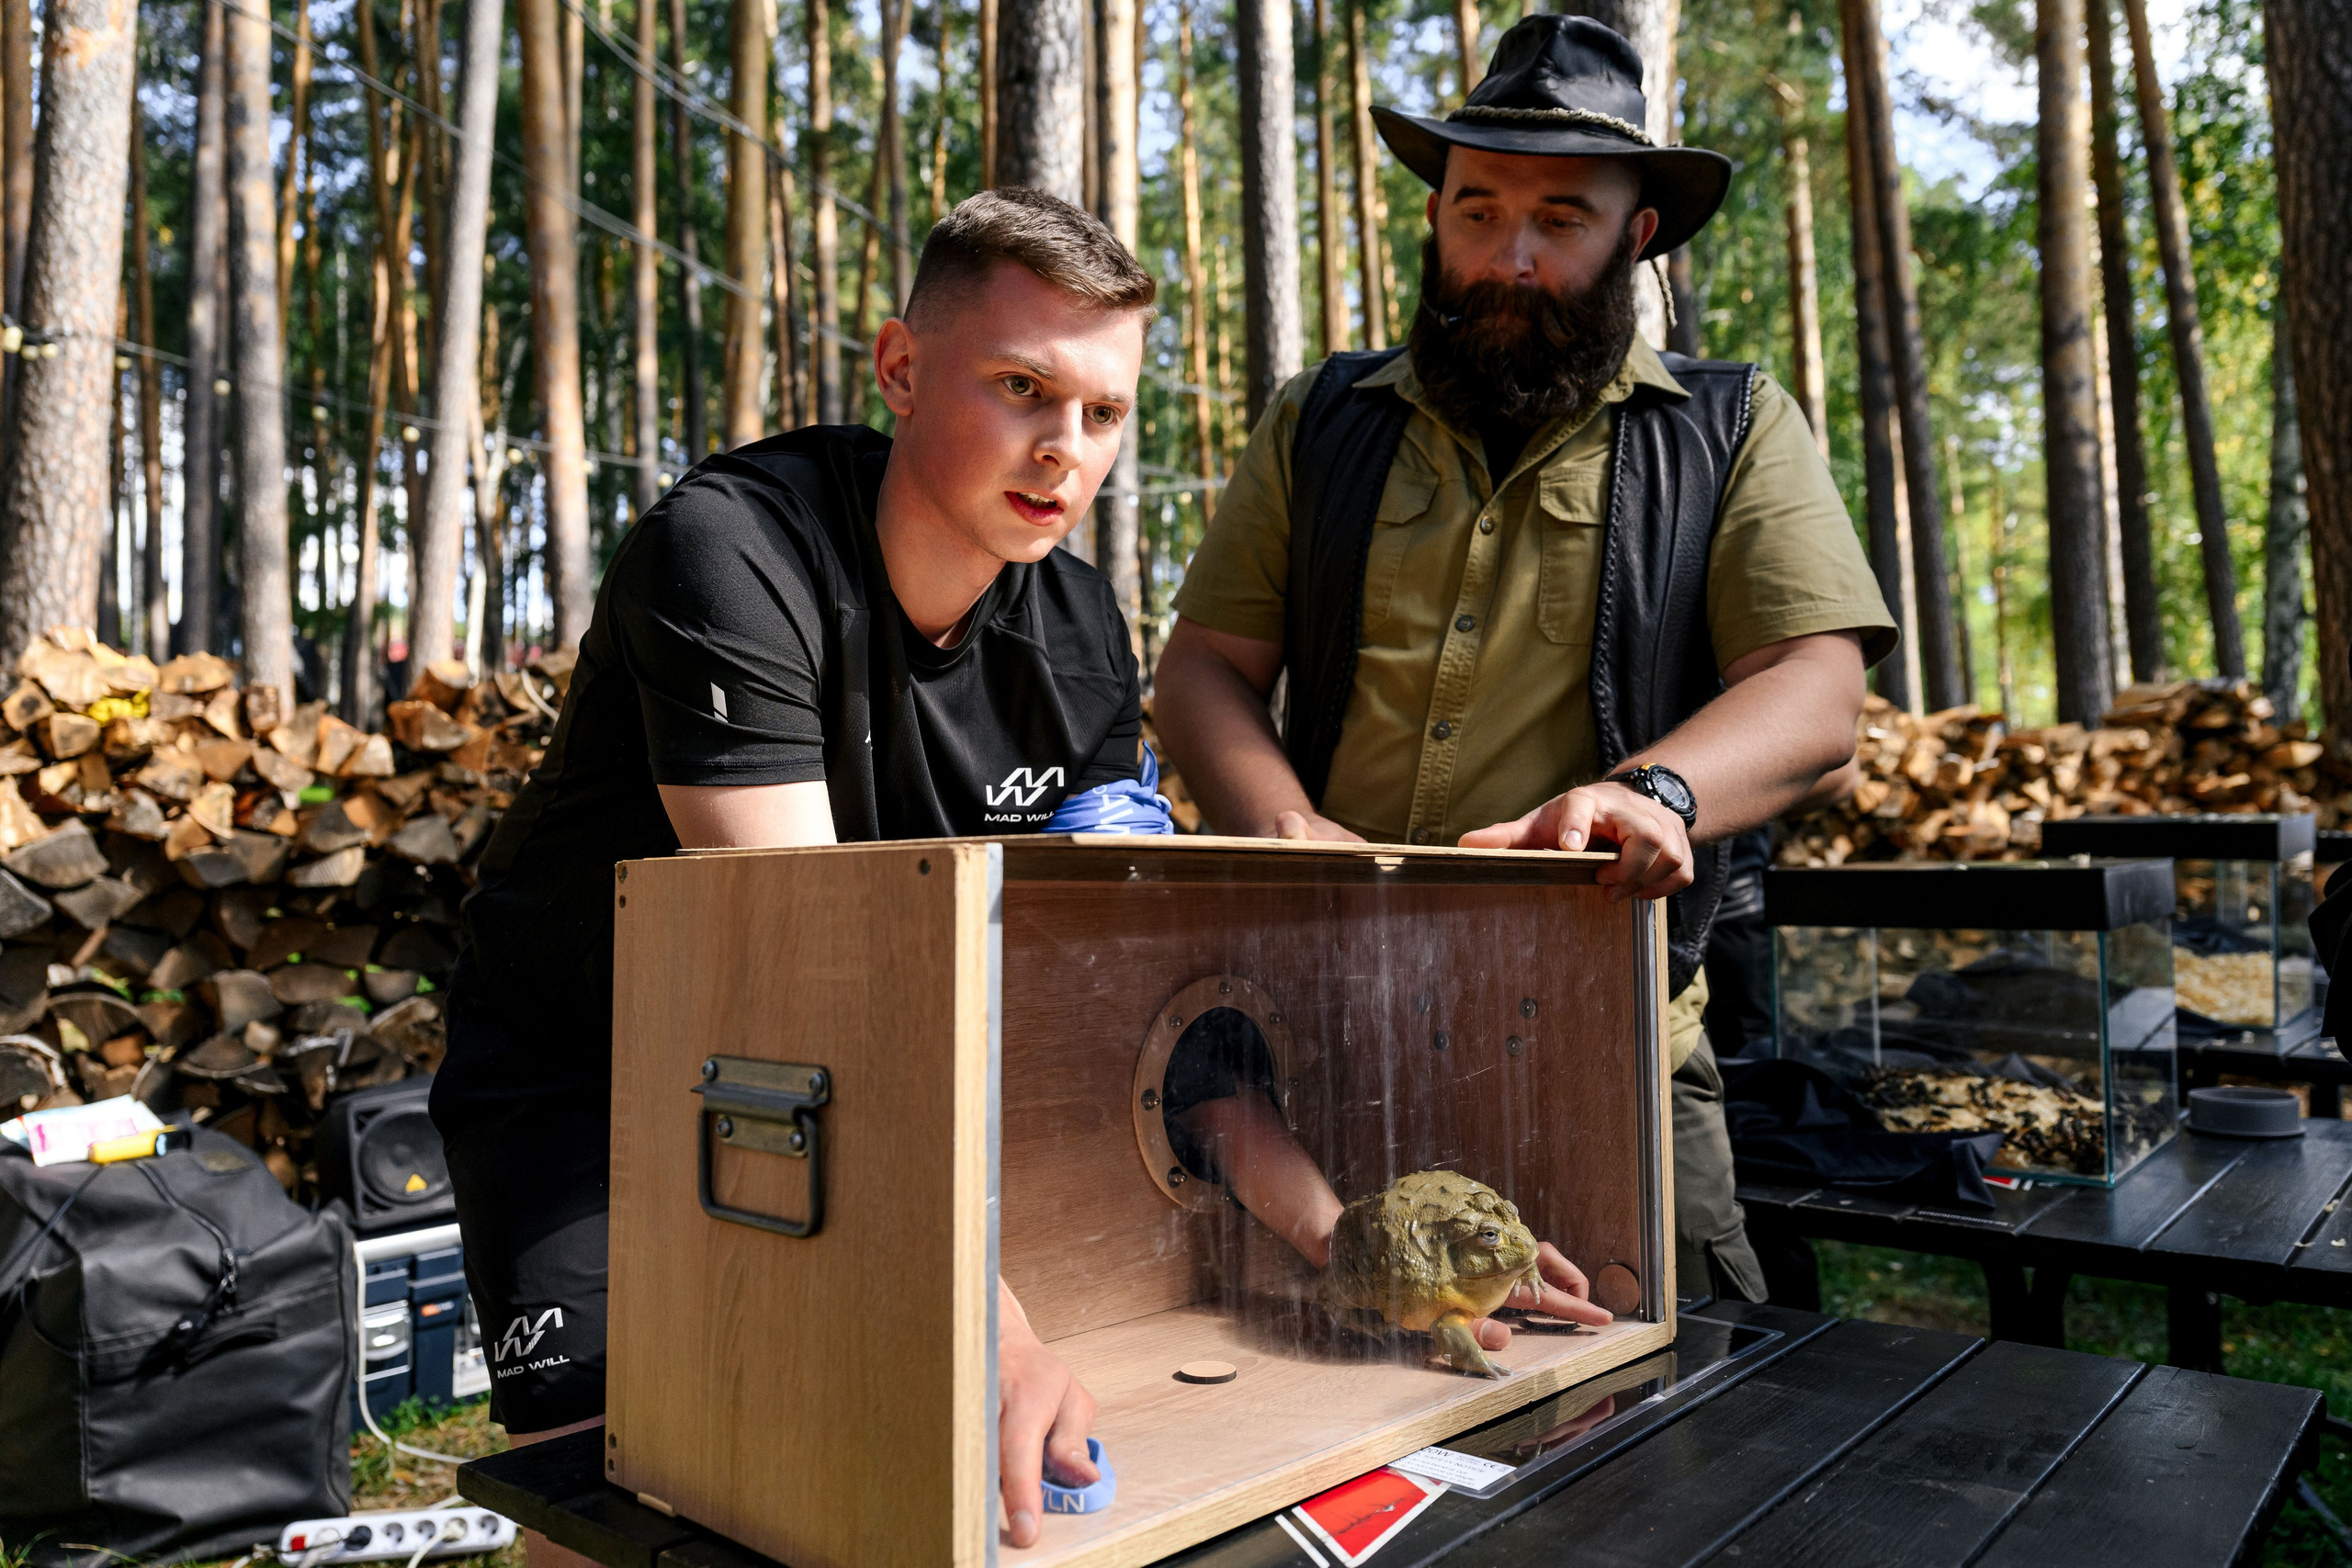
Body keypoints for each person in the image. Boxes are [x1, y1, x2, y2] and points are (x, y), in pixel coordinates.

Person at [431, 189, 1166, 1554]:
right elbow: (808, 974)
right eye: (1021, 387)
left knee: (837, 1468)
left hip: (874, 1086)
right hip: (593, 1079)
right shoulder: (729, 551)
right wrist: (992, 1320)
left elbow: (1097, 984)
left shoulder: (1081, 632)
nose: (1065, 449)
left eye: (1105, 412)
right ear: (901, 368)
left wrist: (1316, 1225)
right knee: (615, 1500)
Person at [1152, 15, 1896, 1306]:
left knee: (1665, 1401)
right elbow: (1203, 667)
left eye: (1561, 219)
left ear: (1636, 235)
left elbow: (1821, 690)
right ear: (1435, 215)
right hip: (1323, 1049)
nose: (1511, 257)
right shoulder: (1317, 423)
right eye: (1479, 210)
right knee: (1326, 1381)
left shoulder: (1730, 428)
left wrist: (1653, 794)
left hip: (1612, 1054)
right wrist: (1286, 826)